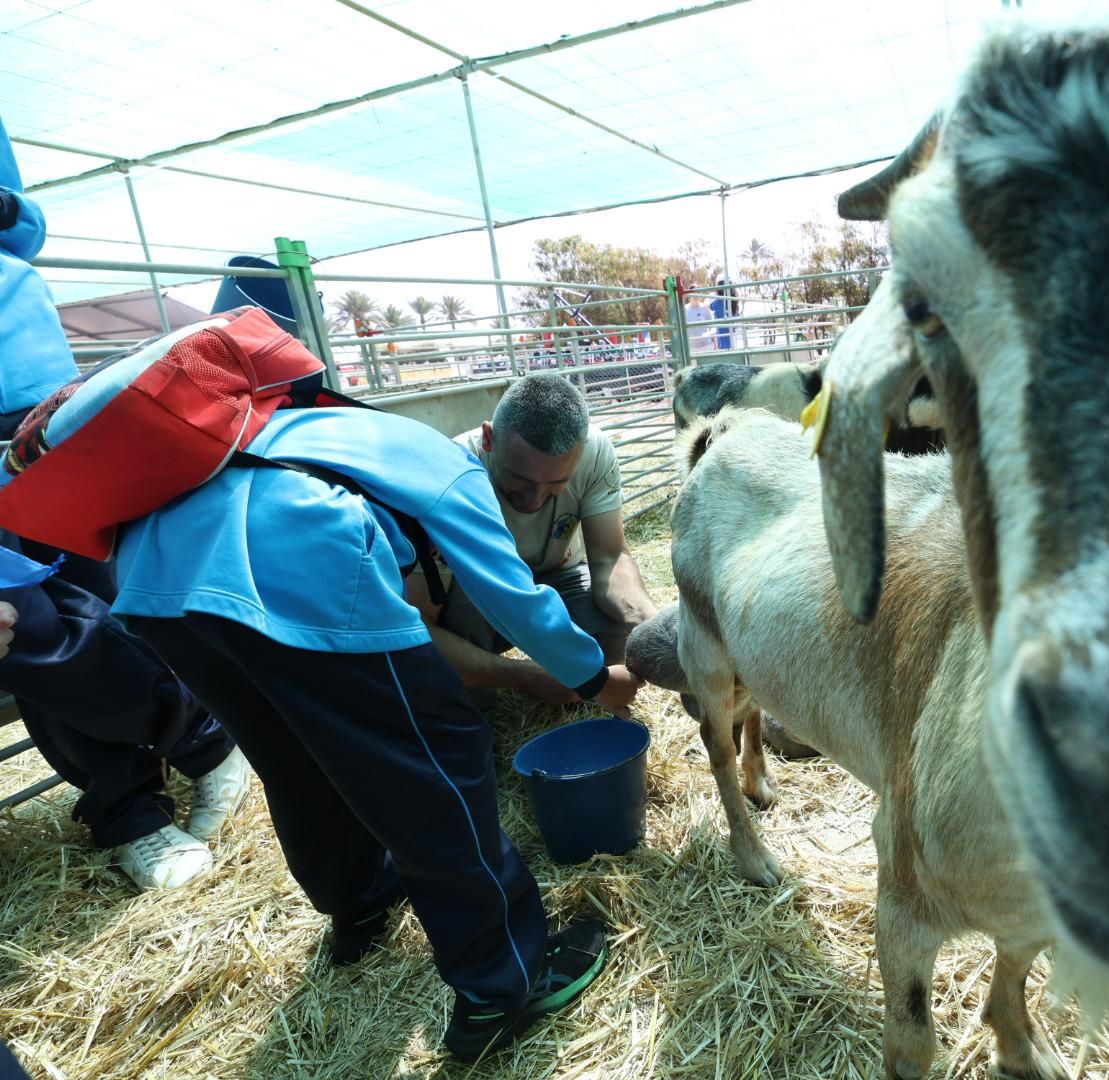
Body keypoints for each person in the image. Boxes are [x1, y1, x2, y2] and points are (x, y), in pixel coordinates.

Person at [109, 395, 643, 1060]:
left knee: (296, 754)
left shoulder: (348, 436)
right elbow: (516, 599)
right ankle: (504, 984)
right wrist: (597, 678)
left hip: (156, 577)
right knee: (439, 753)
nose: (532, 498)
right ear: (487, 445)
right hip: (298, 556)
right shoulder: (452, 470)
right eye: (518, 484)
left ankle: (358, 905)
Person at [0, 112, 250, 892]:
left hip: (23, 383)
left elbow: (22, 221)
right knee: (23, 629)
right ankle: (140, 799)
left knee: (86, 593)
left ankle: (193, 751)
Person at [412, 374, 661, 708]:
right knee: (461, 629)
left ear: (581, 452)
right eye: (519, 479)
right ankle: (482, 710)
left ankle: (588, 701)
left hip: (561, 576)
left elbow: (609, 557)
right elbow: (420, 625)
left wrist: (651, 625)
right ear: (489, 438)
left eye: (558, 483)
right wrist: (525, 676)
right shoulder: (447, 476)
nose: (533, 501)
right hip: (483, 591)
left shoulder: (596, 451)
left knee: (618, 625)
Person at [709, 279, 739, 351]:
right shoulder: (734, 301)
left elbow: (708, 306)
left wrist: (712, 295)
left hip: (723, 337)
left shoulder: (718, 302)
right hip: (733, 337)